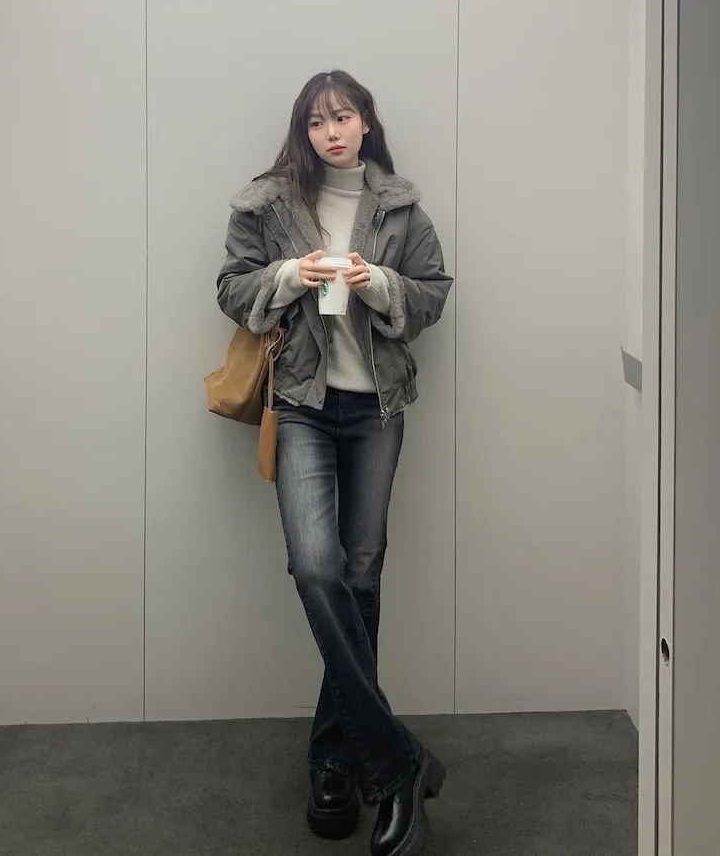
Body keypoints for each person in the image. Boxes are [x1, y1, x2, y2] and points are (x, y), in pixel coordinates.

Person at [216, 71, 453, 856]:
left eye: (342, 116)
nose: (331, 132)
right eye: (317, 122)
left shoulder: (401, 208)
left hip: (378, 409)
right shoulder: (268, 203)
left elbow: (432, 293)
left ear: (365, 122)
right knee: (317, 568)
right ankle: (396, 762)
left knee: (360, 577)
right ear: (304, 131)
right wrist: (291, 274)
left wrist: (377, 281)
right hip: (304, 407)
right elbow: (231, 287)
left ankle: (332, 761)